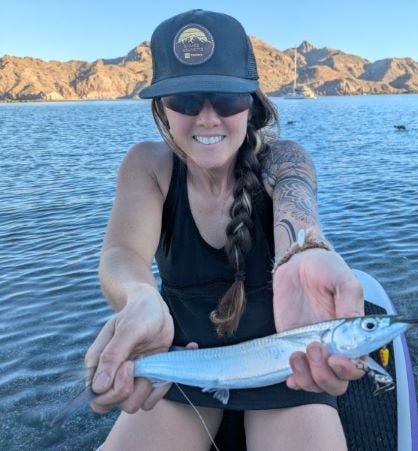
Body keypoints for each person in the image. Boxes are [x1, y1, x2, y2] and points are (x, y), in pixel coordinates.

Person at [84, 9, 365, 451]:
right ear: (162, 108)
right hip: (180, 358)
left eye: (227, 99)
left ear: (251, 103)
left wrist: (308, 251)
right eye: (187, 101)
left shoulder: (285, 159)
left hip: (285, 361)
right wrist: (139, 297)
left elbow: (302, 217)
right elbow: (122, 255)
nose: (208, 119)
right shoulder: (147, 165)